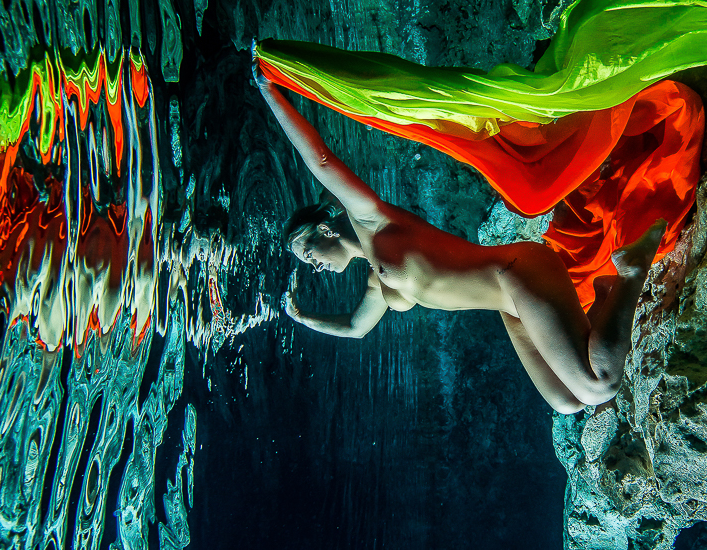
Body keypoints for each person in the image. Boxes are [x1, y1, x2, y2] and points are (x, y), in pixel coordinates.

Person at [254, 55, 663, 415]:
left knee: (598, 385)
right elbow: (355, 328)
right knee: (567, 402)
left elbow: (323, 162)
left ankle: (630, 271)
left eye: (307, 252)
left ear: (324, 229)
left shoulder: (372, 223)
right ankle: (607, 294)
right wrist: (303, 317)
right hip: (509, 308)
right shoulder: (375, 282)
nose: (314, 266)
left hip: (516, 273)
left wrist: (271, 92)